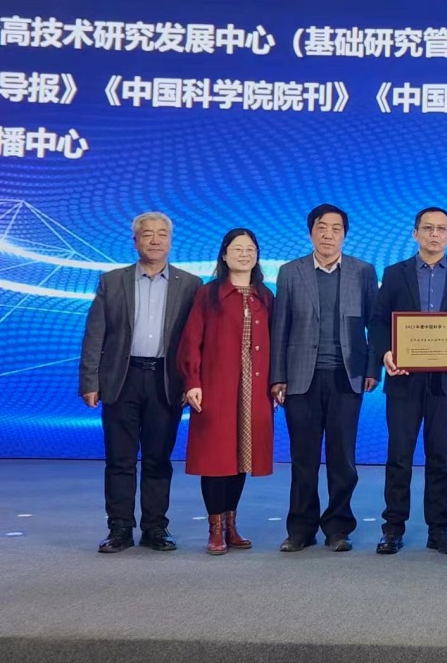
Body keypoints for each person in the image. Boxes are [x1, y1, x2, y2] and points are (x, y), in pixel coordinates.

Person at [78, 212, 201, 553]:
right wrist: (90, 380)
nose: (155, 240)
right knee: (120, 459)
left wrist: (193, 380)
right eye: (148, 234)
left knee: (158, 459)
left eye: (162, 234)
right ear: (135, 241)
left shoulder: (190, 284)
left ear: (171, 241)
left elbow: (196, 340)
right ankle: (119, 529)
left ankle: (155, 528)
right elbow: (95, 335)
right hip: (122, 378)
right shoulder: (112, 281)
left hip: (166, 380)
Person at [370, 207, 447, 555]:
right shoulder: (394, 274)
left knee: (439, 457)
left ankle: (439, 529)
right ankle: (393, 528)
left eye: (441, 229)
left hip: (445, 381)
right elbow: (379, 322)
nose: (434, 234)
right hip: (403, 379)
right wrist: (386, 353)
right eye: (428, 228)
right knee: (399, 456)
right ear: (415, 233)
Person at [270, 204, 380, 553]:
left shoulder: (363, 272)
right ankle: (301, 529)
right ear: (310, 232)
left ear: (344, 234)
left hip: (347, 377)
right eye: (321, 227)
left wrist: (372, 369)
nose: (328, 234)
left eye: (336, 228)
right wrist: (277, 376)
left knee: (342, 458)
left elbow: (375, 324)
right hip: (300, 379)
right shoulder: (291, 272)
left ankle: (338, 527)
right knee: (303, 458)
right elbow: (280, 327)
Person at [177, 228, 275, 555]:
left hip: (254, 388)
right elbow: (191, 341)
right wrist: (192, 381)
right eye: (237, 249)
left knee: (242, 458)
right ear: (224, 254)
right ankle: (215, 528)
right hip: (216, 386)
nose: (244, 254)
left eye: (250, 249)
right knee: (215, 457)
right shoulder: (208, 294)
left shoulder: (265, 296)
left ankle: (232, 525)